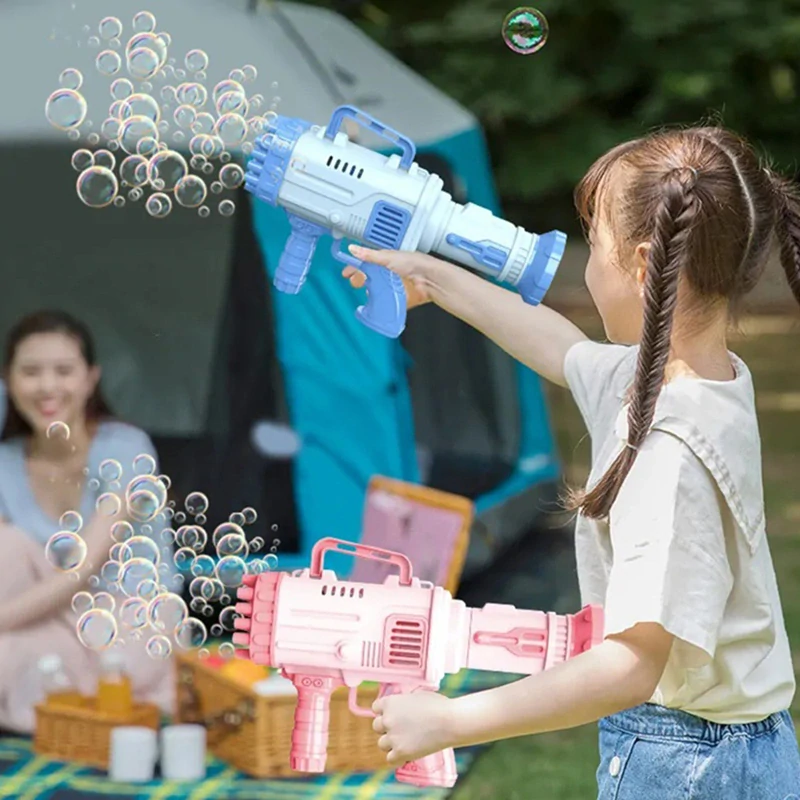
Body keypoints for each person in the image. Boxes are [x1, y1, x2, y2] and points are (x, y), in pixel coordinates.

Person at [342, 126, 800, 797]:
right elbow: (559, 349)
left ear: (644, 267)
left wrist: (449, 720)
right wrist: (433, 277)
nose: (583, 264)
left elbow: (630, 665)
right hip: (720, 748)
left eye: (594, 242)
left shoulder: (668, 454)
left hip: (692, 763)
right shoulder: (703, 381)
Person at [0, 310, 174, 732]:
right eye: (30, 372)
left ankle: (52, 699)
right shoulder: (5, 461)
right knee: (5, 544)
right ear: (8, 380)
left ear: (90, 378)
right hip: (42, 618)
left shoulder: (125, 448)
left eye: (63, 371)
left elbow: (82, 569)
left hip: (126, 621)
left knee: (93, 662)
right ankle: (65, 699)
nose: (47, 387)